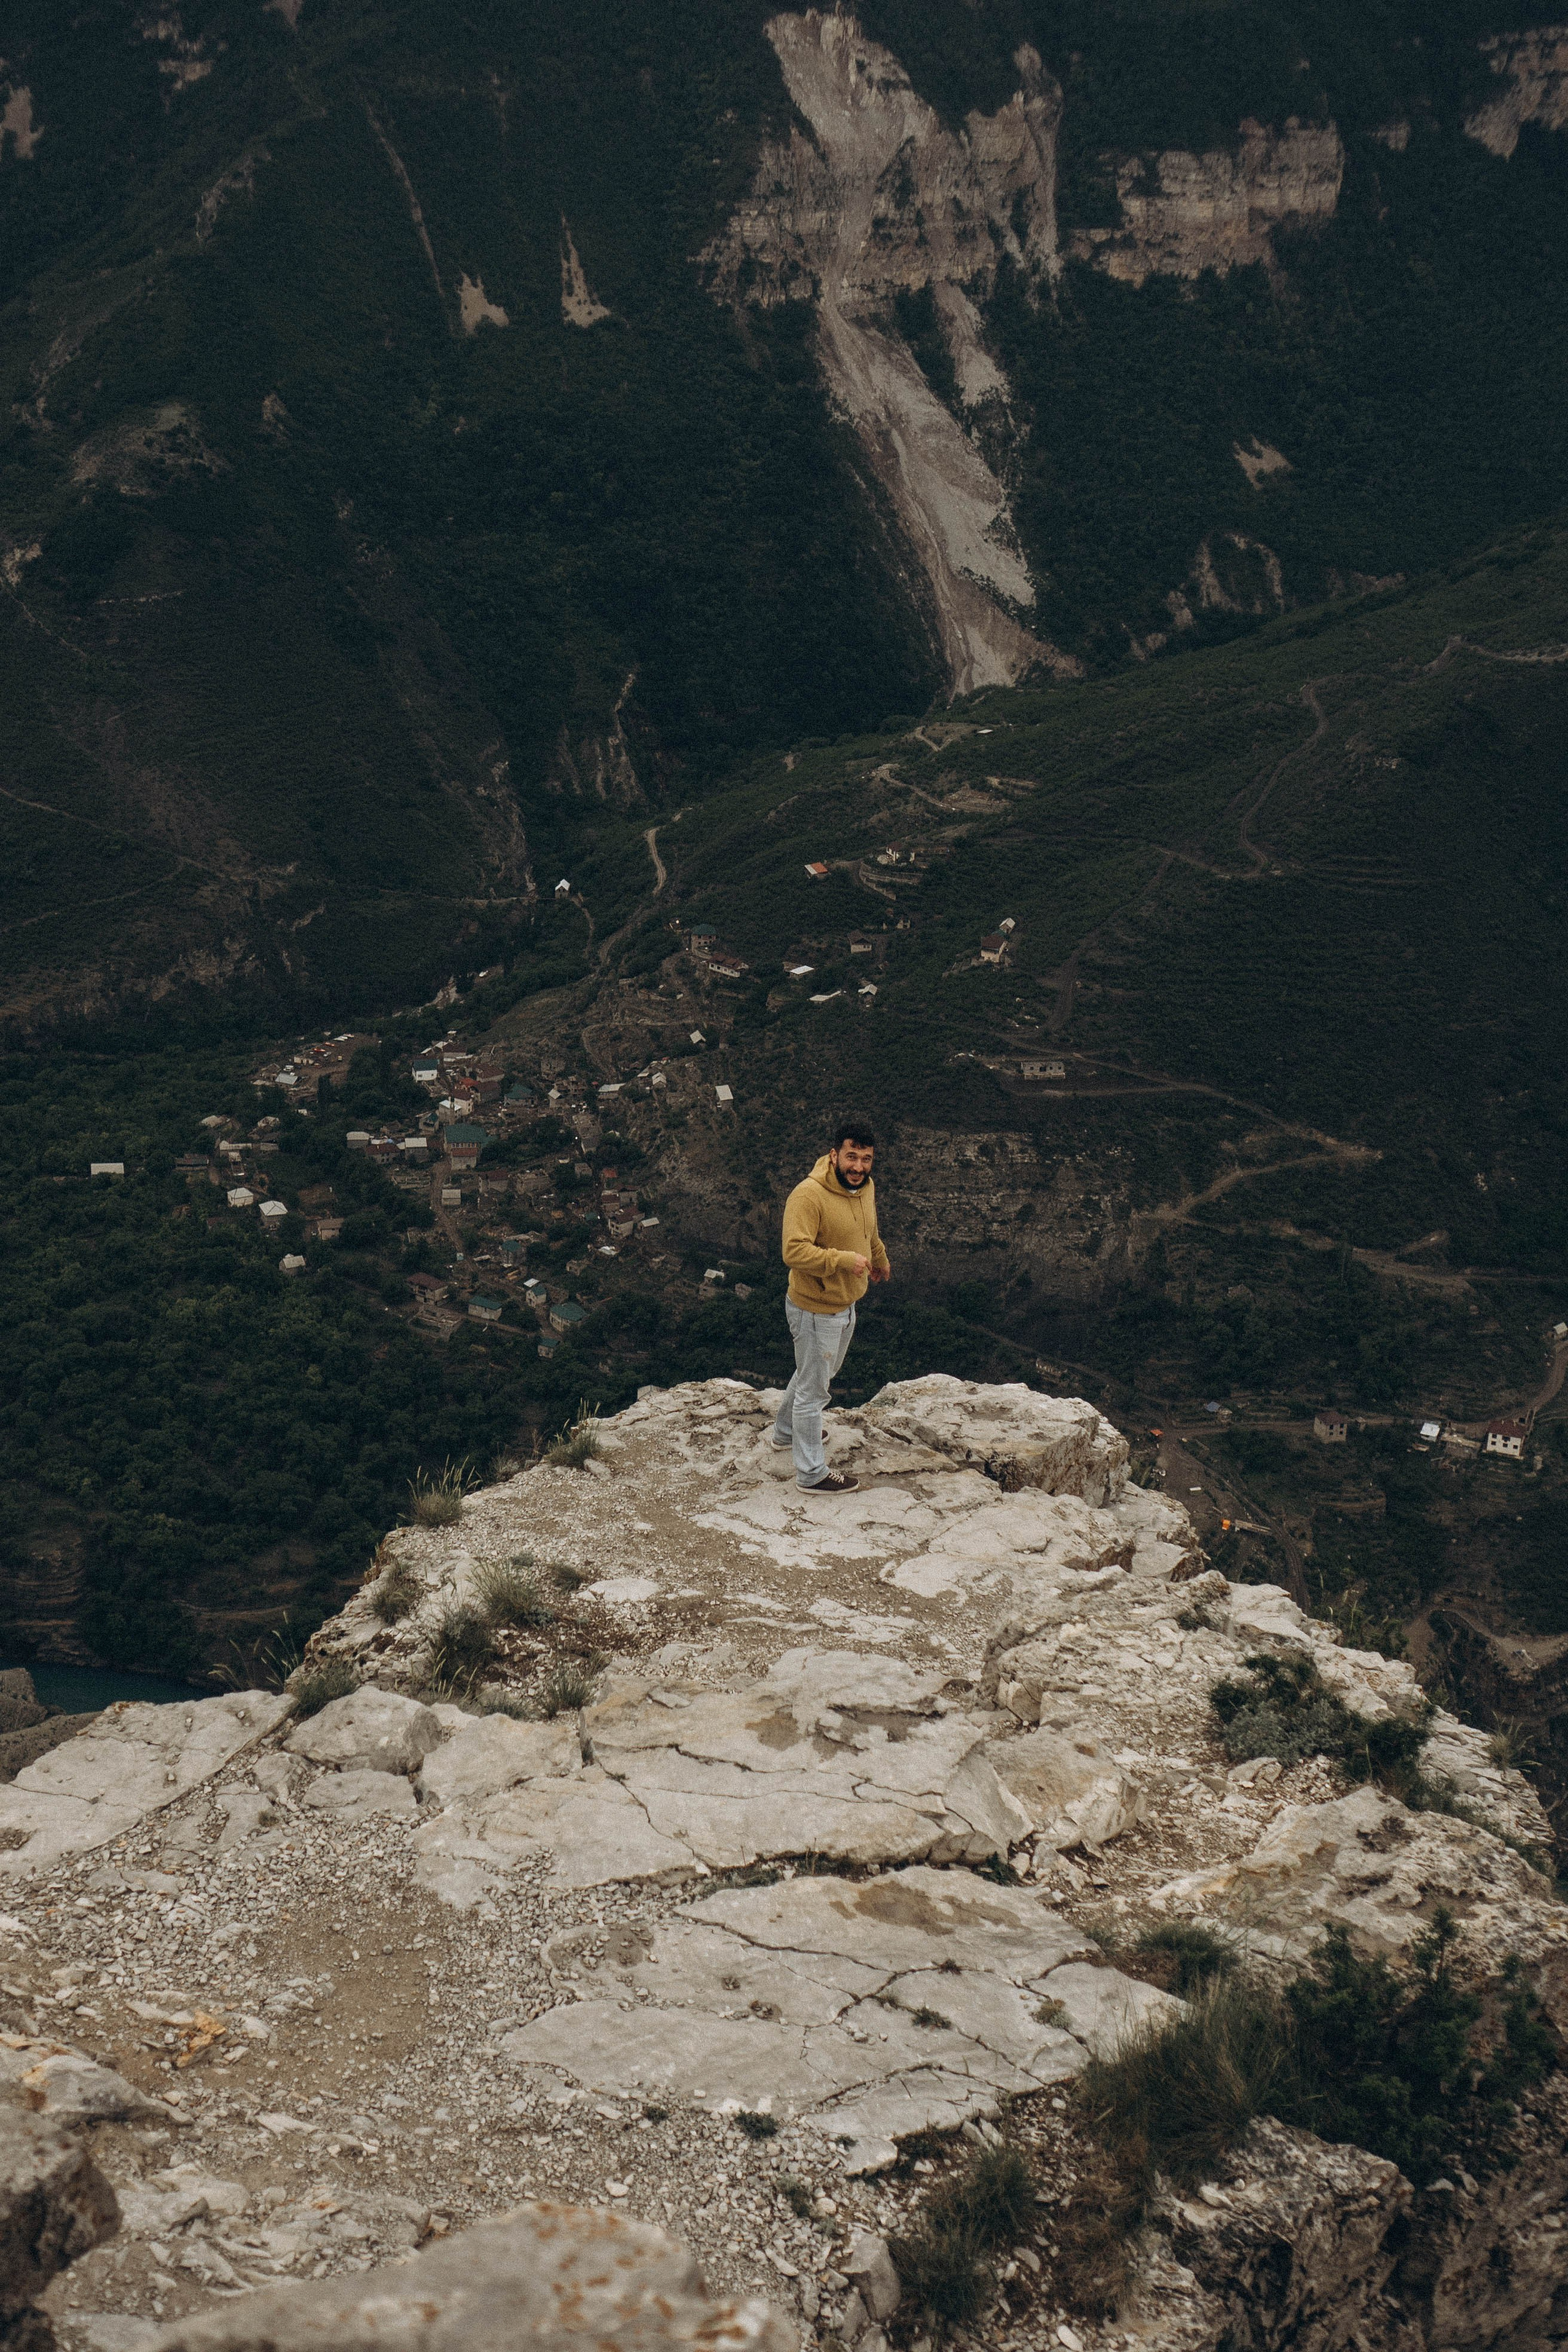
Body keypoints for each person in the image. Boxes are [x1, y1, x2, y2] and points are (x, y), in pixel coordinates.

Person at [773, 1118, 891, 1493]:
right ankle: (811, 1474)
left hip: (845, 1300)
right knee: (814, 1390)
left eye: (867, 1159)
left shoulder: (865, 1189)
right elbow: (792, 1251)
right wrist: (842, 1261)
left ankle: (786, 1432)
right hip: (815, 1307)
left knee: (815, 1376)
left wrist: (880, 1258)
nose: (858, 1167)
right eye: (851, 1157)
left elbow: (868, 1230)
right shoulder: (808, 1195)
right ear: (834, 1155)